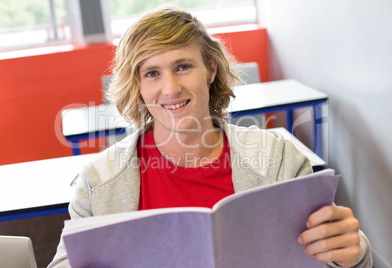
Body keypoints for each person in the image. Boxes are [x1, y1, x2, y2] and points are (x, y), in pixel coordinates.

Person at [48, 6, 372, 268]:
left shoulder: (280, 161)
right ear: (138, 86)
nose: (171, 88)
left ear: (211, 69)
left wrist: (351, 254)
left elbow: (328, 255)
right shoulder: (96, 183)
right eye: (152, 73)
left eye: (184, 66)